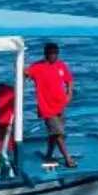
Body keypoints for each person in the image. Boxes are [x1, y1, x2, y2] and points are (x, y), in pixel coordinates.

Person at [26, 40, 75, 168]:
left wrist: (69, 93)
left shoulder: (61, 65)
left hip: (60, 105)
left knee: (55, 133)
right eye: (52, 53)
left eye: (56, 53)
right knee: (58, 133)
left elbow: (69, 80)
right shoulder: (37, 67)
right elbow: (26, 73)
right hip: (46, 107)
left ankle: (48, 155)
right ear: (46, 54)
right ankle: (68, 158)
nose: (55, 56)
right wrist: (19, 67)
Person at [0, 78, 18, 175]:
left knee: (1, 141)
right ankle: (6, 163)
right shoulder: (11, 92)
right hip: (8, 119)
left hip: (1, 119)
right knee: (7, 141)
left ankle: (1, 161)